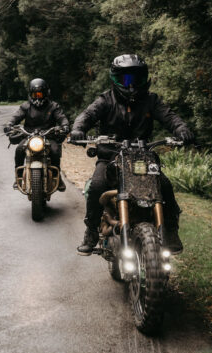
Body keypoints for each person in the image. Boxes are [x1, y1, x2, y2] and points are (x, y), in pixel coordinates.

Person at [70, 54, 194, 255]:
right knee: (97, 187)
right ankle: (91, 231)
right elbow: (86, 116)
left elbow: (170, 117)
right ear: (115, 79)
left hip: (143, 158)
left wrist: (181, 129)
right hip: (110, 156)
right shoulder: (105, 100)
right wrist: (78, 129)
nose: (131, 85)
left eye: (136, 78)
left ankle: (170, 231)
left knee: (165, 187)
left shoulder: (151, 100)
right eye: (126, 79)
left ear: (144, 78)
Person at [4, 78, 69, 191]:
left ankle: (57, 176)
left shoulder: (53, 106)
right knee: (19, 150)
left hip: (48, 136)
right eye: (35, 94)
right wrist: (9, 124)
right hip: (29, 135)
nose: (37, 96)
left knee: (55, 151)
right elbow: (16, 116)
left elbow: (61, 118)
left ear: (46, 93)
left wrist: (65, 125)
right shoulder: (26, 106)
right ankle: (18, 176)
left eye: (40, 93)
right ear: (31, 94)